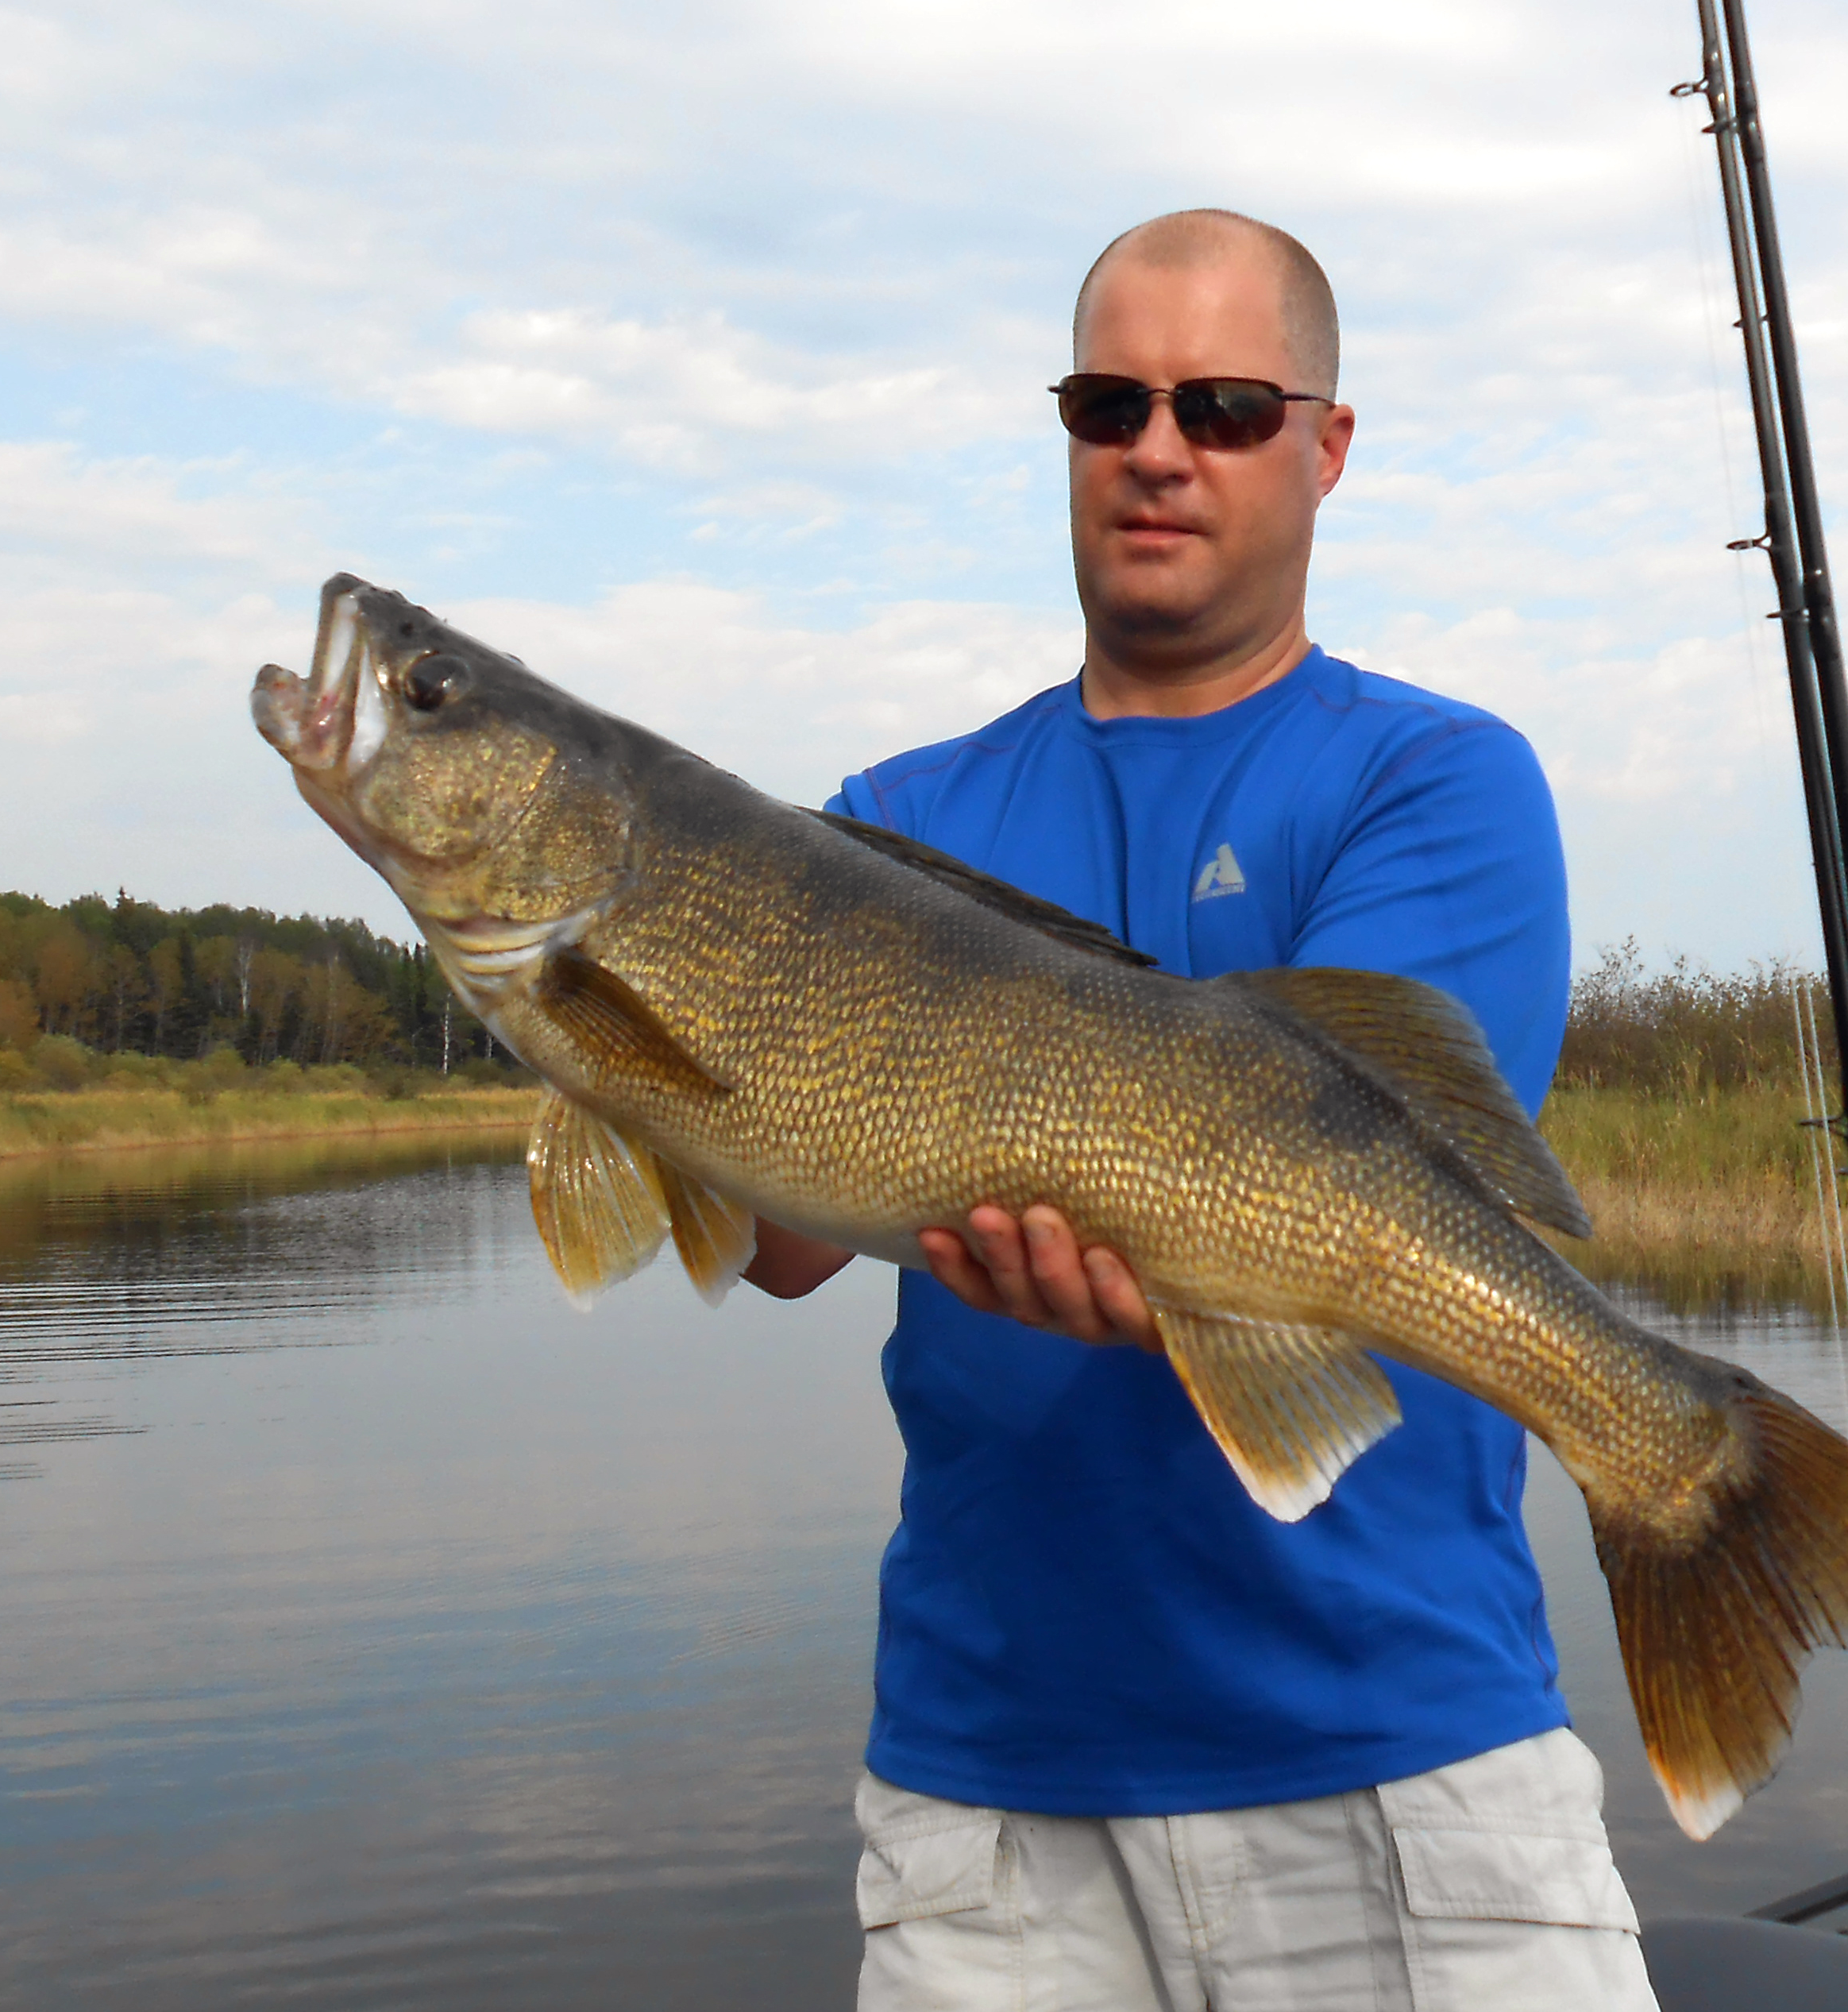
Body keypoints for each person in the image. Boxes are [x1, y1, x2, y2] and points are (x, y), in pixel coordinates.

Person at [743, 209, 1658, 2012]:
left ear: (1326, 448)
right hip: (989, 1808)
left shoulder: (1435, 778)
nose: (1158, 450)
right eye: (1111, 401)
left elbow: (1362, 1175)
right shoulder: (882, 819)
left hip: (1404, 1767)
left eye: (1227, 406)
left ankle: (1682, 1453)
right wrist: (583, 1003)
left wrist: (1133, 1220)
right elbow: (778, 1241)